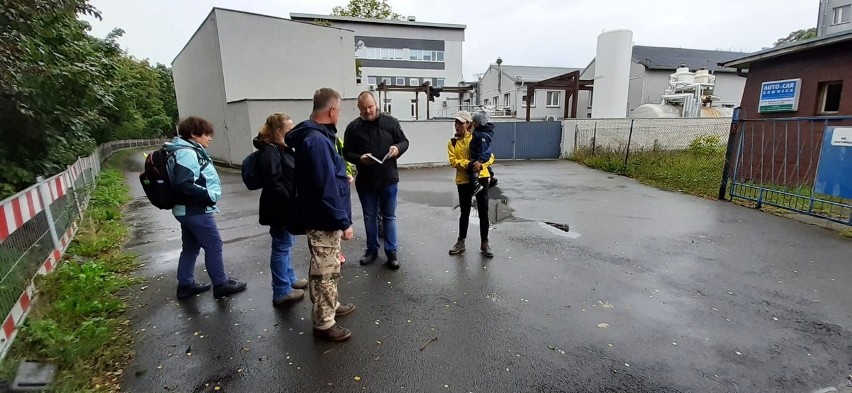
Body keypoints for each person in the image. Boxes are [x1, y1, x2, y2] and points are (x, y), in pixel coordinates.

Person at [285, 87, 356, 341]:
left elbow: (327, 177)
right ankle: (324, 323)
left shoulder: (319, 137)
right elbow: (324, 187)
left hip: (325, 215)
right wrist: (344, 221)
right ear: (332, 110)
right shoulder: (316, 140)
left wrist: (342, 179)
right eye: (340, 110)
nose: (340, 115)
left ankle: (331, 305)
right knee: (324, 270)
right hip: (323, 217)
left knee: (330, 265)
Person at [168, 116, 247, 299]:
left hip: (185, 210)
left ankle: (185, 285)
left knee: (190, 247)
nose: (210, 138)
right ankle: (221, 284)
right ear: (194, 134)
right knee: (214, 245)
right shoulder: (188, 153)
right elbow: (184, 184)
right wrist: (209, 195)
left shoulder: (181, 149)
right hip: (195, 210)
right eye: (206, 134)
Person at [343, 91, 409, 271]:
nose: (367, 111)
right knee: (369, 217)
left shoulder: (390, 122)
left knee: (389, 217)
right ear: (358, 108)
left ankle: (392, 252)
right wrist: (359, 158)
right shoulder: (353, 128)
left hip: (388, 179)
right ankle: (371, 250)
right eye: (363, 108)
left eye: (370, 107)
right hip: (366, 181)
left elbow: (404, 142)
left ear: (376, 104)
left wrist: (397, 148)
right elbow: (346, 152)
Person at [253, 112, 308, 307]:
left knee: (286, 244)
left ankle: (289, 279)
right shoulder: (270, 151)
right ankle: (281, 290)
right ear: (278, 131)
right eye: (289, 130)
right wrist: (291, 202)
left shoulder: (281, 148)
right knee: (281, 247)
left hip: (284, 207)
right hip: (279, 208)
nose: (292, 133)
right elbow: (274, 183)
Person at [447, 111, 495, 258]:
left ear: (468, 124)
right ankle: (461, 241)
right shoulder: (452, 142)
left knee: (483, 212)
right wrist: (469, 164)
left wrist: (481, 164)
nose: (457, 125)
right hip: (463, 181)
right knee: (465, 212)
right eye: (456, 122)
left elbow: (491, 156)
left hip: (481, 178)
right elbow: (453, 161)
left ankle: (485, 243)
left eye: (460, 123)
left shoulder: (478, 136)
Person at [334, 136, 354, 265]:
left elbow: (344, 158)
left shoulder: (337, 140)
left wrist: (348, 173)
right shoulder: (318, 142)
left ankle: (337, 251)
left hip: (341, 184)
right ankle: (335, 252)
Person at [468, 110, 495, 196]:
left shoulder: (481, 135)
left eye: (474, 121)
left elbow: (483, 148)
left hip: (478, 156)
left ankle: (475, 184)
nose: (472, 123)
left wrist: (480, 160)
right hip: (480, 155)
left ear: (479, 123)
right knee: (487, 167)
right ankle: (493, 178)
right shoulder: (479, 132)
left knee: (473, 168)